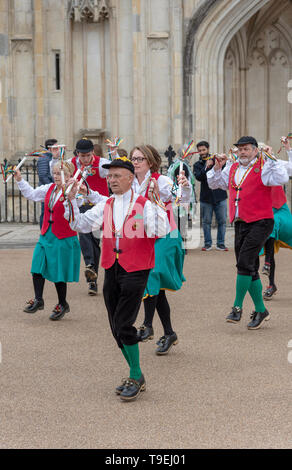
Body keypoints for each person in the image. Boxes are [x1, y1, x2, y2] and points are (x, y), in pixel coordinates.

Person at [65, 157, 169, 401]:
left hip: (136, 268)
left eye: (116, 176)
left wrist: (153, 207)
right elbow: (80, 224)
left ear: (130, 178)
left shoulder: (144, 202)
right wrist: (70, 201)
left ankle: (135, 374)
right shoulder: (106, 204)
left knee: (123, 323)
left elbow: (162, 230)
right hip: (111, 266)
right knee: (115, 327)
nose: (111, 180)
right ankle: (137, 375)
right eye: (109, 176)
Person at [207, 136, 289, 330]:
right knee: (249, 267)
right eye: (240, 149)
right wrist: (217, 168)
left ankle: (237, 307)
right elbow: (214, 184)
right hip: (241, 222)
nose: (242, 152)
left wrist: (270, 159)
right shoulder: (233, 167)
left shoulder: (264, 166)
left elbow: (282, 177)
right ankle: (261, 310)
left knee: (244, 263)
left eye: (246, 149)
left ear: (254, 150)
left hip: (261, 221)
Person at [130, 145, 191, 354]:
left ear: (150, 161)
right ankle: (169, 332)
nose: (135, 162)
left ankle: (147, 324)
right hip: (145, 236)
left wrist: (184, 185)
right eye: (133, 158)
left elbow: (181, 198)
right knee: (157, 291)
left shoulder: (161, 180)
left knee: (152, 274)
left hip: (166, 235)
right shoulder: (131, 184)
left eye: (139, 158)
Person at [14, 161, 81, 321]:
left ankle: (62, 303)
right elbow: (31, 194)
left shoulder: (73, 191)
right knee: (37, 266)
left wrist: (70, 195)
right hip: (46, 234)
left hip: (63, 236)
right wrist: (19, 179)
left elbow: (74, 211)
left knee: (58, 273)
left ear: (69, 175)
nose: (57, 176)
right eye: (55, 173)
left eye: (60, 173)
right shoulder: (48, 188)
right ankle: (39, 299)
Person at [70, 138, 110, 296]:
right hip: (83, 205)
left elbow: (116, 173)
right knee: (85, 236)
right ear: (77, 153)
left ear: (93, 152)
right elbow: (59, 171)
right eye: (82, 156)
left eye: (87, 155)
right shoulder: (71, 163)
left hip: (100, 205)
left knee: (96, 241)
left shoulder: (102, 164)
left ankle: (93, 269)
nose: (85, 159)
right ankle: (90, 267)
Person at [261, 139, 292, 299]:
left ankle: (267, 265)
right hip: (265, 209)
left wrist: (288, 149)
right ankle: (271, 283)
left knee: (273, 227)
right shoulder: (253, 168)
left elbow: (291, 168)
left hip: (281, 208)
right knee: (268, 239)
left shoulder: (276, 162)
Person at [193, 140, 228, 251]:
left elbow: (225, 172)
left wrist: (219, 162)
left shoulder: (216, 160)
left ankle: (220, 243)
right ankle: (207, 243)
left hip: (220, 195)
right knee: (206, 222)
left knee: (222, 221)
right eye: (200, 150)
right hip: (206, 197)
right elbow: (199, 177)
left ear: (208, 149)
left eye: (204, 150)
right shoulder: (197, 165)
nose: (202, 152)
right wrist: (206, 167)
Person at [37, 139, 57, 228]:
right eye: (55, 148)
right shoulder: (44, 158)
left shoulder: (51, 158)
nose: (58, 150)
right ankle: (43, 231)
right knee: (45, 212)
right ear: (49, 149)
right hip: (47, 190)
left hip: (52, 189)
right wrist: (53, 187)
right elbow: (43, 176)